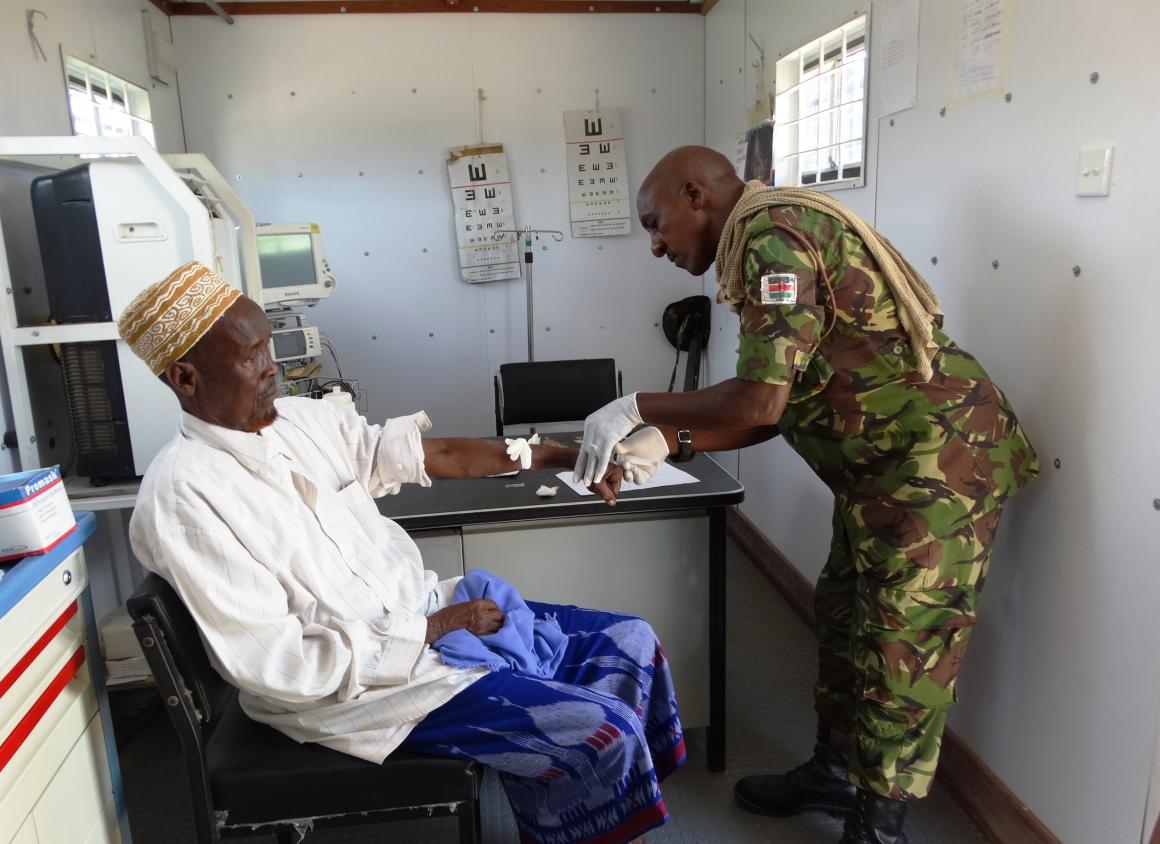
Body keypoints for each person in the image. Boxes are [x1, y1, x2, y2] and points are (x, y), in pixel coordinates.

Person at [119, 261, 685, 844]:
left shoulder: (299, 423)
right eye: (251, 356)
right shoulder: (184, 497)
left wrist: (566, 457)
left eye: (268, 347)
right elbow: (280, 665)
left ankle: (586, 815)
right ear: (186, 378)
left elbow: (430, 454)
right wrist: (435, 628)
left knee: (633, 641)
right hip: (365, 690)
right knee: (603, 729)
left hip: (421, 619)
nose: (273, 368)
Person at [572, 146, 1039, 844]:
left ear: (695, 194)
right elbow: (779, 406)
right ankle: (834, 772)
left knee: (903, 645)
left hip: (938, 468)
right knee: (844, 614)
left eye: (654, 223)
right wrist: (672, 438)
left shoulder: (774, 237)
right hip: (882, 473)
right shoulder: (764, 237)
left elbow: (759, 402)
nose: (656, 245)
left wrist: (639, 405)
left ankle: (878, 827)